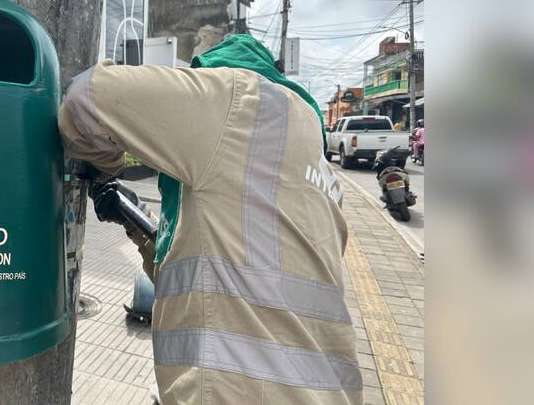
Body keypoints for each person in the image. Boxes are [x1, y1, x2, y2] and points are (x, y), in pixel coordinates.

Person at [59, 34, 362, 405]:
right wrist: (135, 224)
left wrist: (105, 166)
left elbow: (86, 97)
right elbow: (218, 275)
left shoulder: (235, 99)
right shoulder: (313, 164)